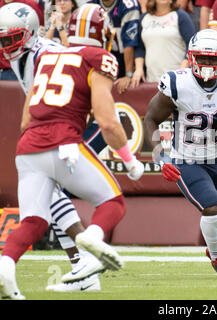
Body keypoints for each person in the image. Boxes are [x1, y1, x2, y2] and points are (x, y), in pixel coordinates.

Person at [0, 3, 145, 299]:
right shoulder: (95, 57)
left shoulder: (46, 54)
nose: (6, 46)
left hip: (29, 146)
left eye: (10, 38)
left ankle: (8, 266)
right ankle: (89, 244)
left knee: (34, 220)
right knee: (112, 201)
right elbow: (107, 120)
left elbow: (27, 118)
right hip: (63, 141)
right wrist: (130, 161)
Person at [143, 29, 217, 280]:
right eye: (202, 58)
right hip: (187, 159)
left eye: (212, 59)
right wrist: (160, 156)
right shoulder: (178, 83)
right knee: (213, 207)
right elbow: (151, 118)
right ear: (191, 57)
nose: (207, 64)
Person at [132, 0, 195, 86]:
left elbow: (192, 45)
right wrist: (138, 69)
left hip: (177, 81)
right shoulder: (144, 18)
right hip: (152, 80)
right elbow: (140, 47)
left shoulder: (181, 16)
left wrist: (183, 69)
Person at [87, 0, 142, 94]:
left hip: (123, 62)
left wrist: (128, 74)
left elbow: (129, 42)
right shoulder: (89, 7)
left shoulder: (128, 5)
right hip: (100, 63)